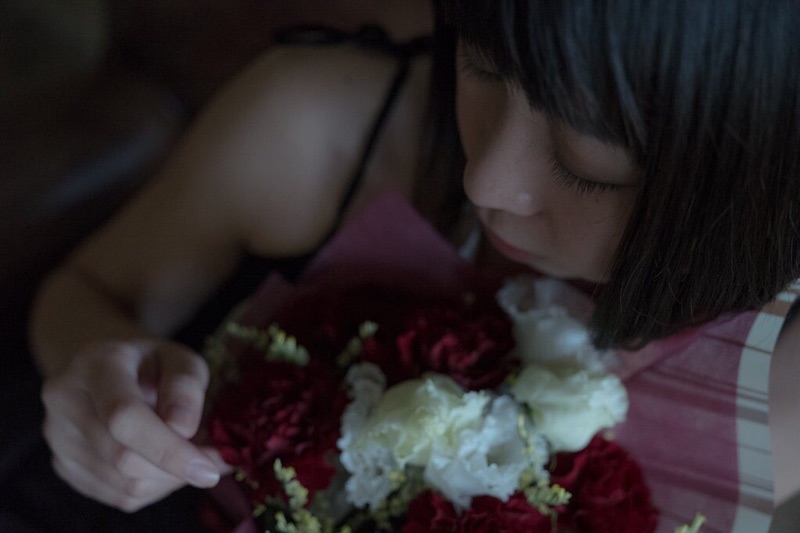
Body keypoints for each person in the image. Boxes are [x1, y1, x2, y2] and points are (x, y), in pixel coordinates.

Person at [28, 0, 800, 529]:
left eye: (586, 160)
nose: (485, 181)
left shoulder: (779, 372)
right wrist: (104, 385)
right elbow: (82, 290)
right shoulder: (318, 128)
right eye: (483, 64)